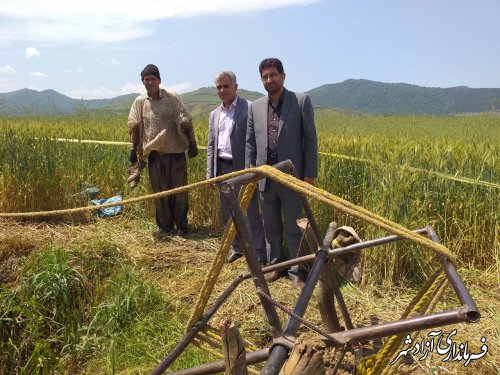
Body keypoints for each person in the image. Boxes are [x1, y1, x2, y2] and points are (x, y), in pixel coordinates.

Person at [245, 58, 318, 289]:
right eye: (265, 76)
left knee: (296, 226)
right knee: (271, 226)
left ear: (283, 76)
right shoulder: (255, 107)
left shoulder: (300, 101)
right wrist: (250, 172)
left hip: (292, 177)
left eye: (273, 75)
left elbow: (310, 140)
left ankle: (297, 271)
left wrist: (310, 174)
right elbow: (250, 144)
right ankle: (276, 266)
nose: (269, 80)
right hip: (265, 179)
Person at [128, 64, 198, 239]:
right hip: (154, 155)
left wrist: (193, 143)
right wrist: (132, 149)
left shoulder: (172, 98)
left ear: (159, 80)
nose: (150, 82)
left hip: (176, 154)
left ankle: (182, 227)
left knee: (179, 191)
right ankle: (165, 227)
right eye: (146, 79)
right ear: (143, 82)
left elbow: (185, 121)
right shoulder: (140, 102)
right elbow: (134, 126)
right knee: (159, 192)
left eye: (153, 78)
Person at [206, 71, 267, 265]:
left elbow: (257, 141)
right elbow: (210, 146)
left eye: (226, 86)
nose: (222, 90)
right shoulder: (214, 114)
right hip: (222, 168)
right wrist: (210, 173)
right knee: (228, 211)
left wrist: (253, 168)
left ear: (235, 87)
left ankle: (259, 252)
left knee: (251, 211)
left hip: (242, 169)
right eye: (219, 87)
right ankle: (237, 248)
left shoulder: (249, 108)